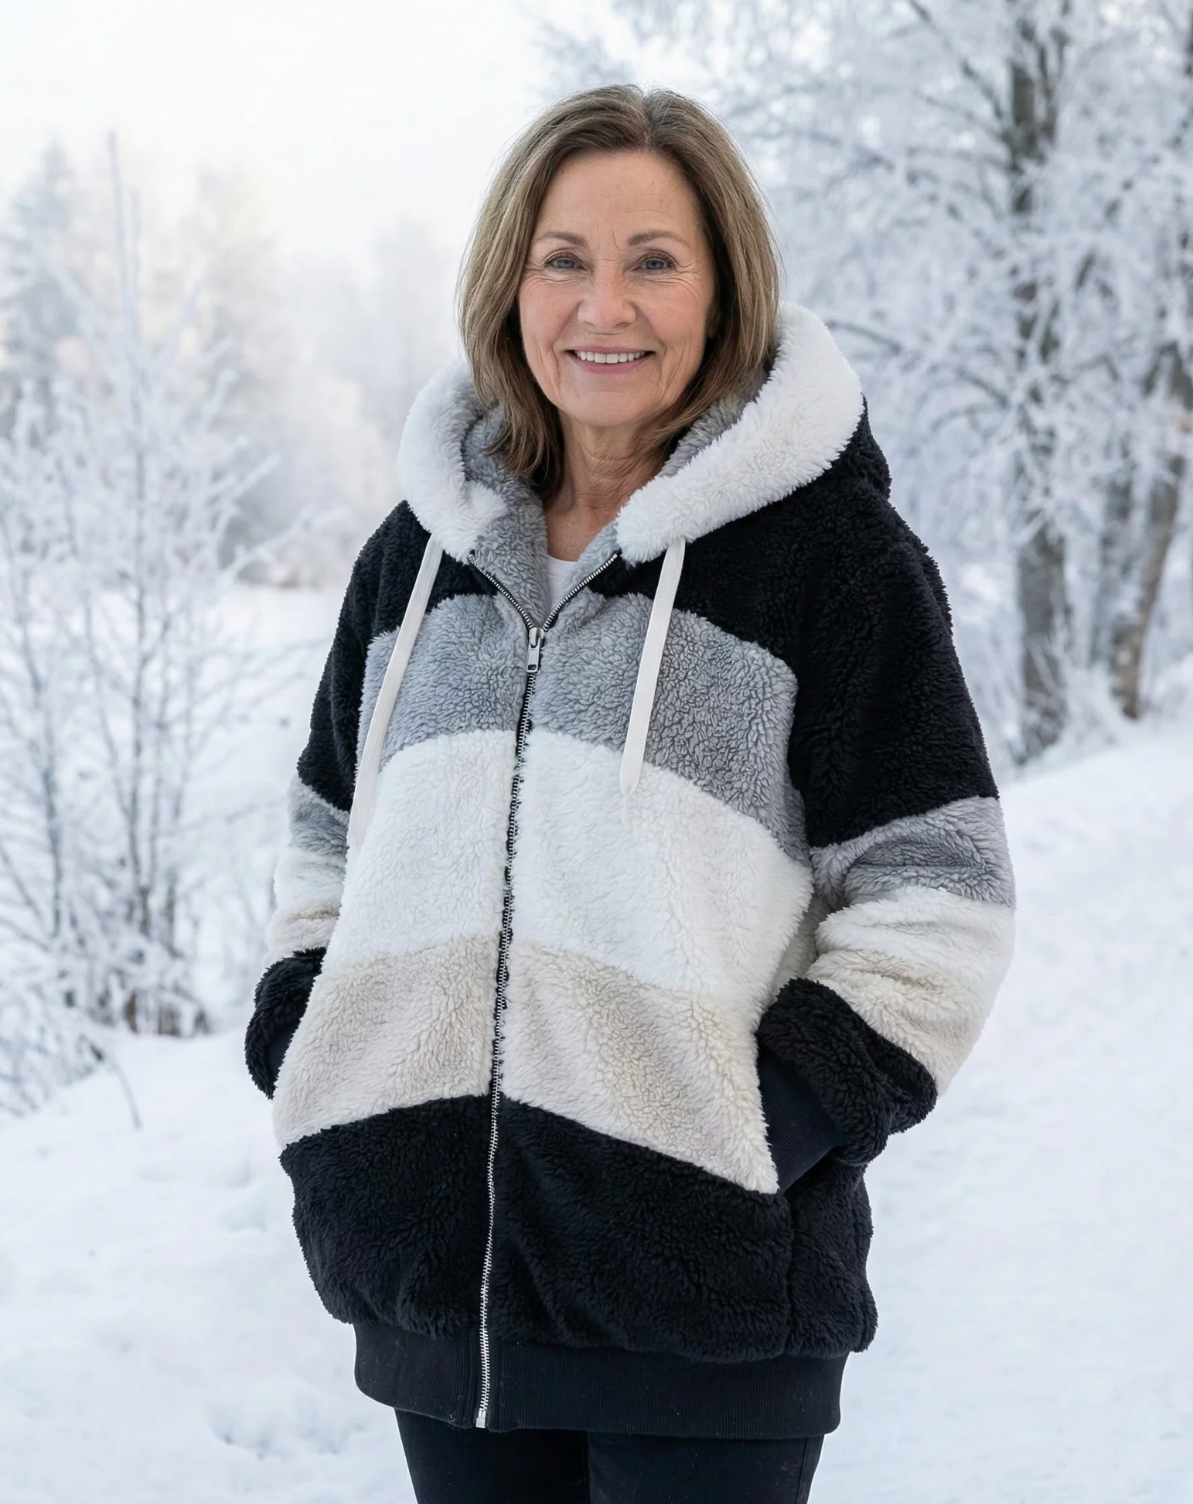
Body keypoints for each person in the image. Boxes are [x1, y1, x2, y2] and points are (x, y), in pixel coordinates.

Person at [244, 84, 1016, 1504]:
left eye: (654, 259)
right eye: (564, 259)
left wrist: (754, 1126)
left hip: (708, 1323)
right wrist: (316, 1044)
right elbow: (325, 838)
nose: (605, 306)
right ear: (509, 284)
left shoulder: (832, 563)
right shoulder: (414, 561)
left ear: (725, 287)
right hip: (437, 1311)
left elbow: (940, 892)